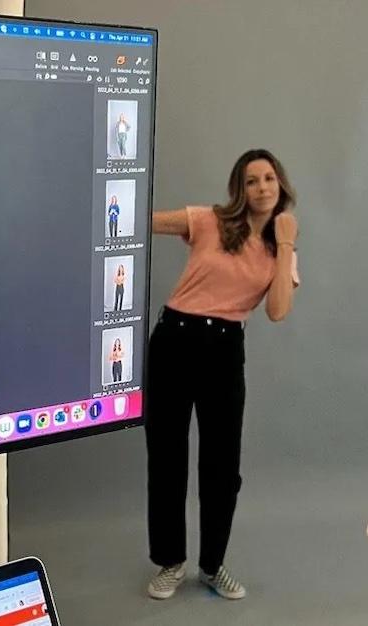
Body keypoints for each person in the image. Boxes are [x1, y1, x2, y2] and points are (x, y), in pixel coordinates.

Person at [145, 149, 299, 601]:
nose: (262, 188)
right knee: (167, 456)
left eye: (269, 178)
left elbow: (276, 311)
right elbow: (145, 220)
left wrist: (286, 243)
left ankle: (212, 565)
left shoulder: (281, 247)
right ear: (240, 188)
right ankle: (170, 561)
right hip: (174, 339)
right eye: (251, 181)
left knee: (222, 464)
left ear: (280, 183)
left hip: (225, 350)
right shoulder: (209, 220)